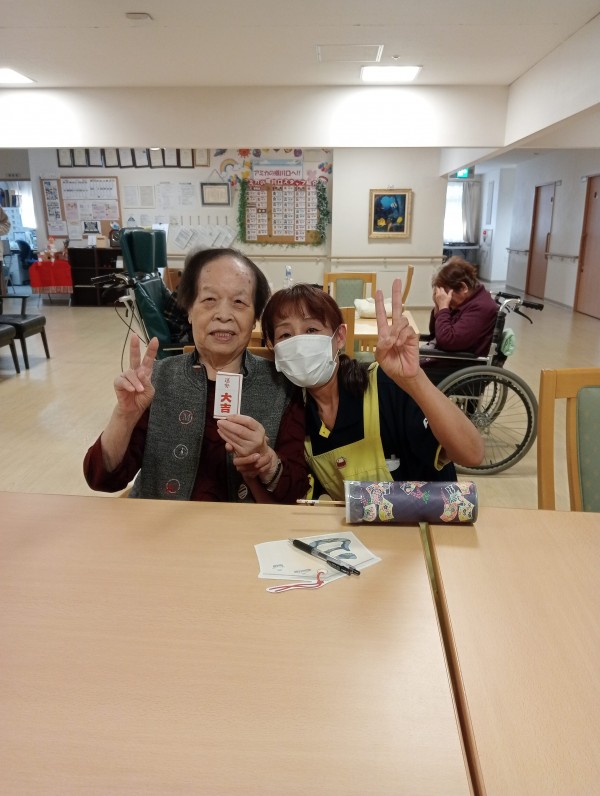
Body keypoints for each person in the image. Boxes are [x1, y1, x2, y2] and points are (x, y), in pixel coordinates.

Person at [84, 247, 309, 503]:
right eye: (210, 299)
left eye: (239, 302)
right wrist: (124, 416)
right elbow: (102, 480)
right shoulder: (156, 380)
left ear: (255, 317)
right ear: (190, 310)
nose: (223, 315)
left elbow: (297, 491)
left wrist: (267, 461)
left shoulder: (281, 386)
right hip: (160, 524)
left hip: (243, 527)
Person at [260, 279, 484, 501]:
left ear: (339, 337)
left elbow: (472, 454)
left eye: (311, 329)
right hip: (358, 525)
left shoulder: (386, 384)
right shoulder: (295, 415)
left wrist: (415, 380)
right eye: (285, 335)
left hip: (429, 521)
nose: (299, 345)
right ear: (273, 347)